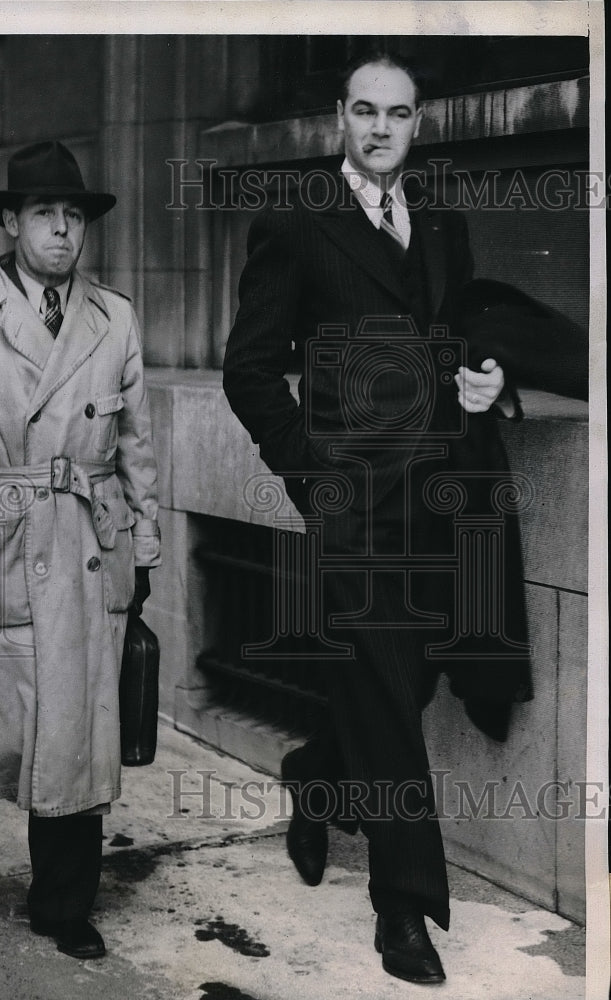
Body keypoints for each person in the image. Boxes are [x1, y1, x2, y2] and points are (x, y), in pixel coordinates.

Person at [223, 52, 535, 984]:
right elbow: (247, 368)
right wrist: (312, 474)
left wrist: (490, 380)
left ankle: (319, 775)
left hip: (454, 498)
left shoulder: (438, 213)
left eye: (396, 115)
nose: (379, 129)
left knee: (419, 679)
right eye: (364, 111)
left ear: (416, 122)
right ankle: (403, 911)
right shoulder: (294, 219)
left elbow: (464, 340)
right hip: (358, 508)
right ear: (339, 116)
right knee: (388, 702)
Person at [0, 140, 161, 960]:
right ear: (11, 222)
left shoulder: (112, 316)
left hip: (85, 539)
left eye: (73, 215)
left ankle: (63, 903)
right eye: (44, 213)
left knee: (78, 733)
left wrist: (142, 545)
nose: (61, 230)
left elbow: (135, 444)